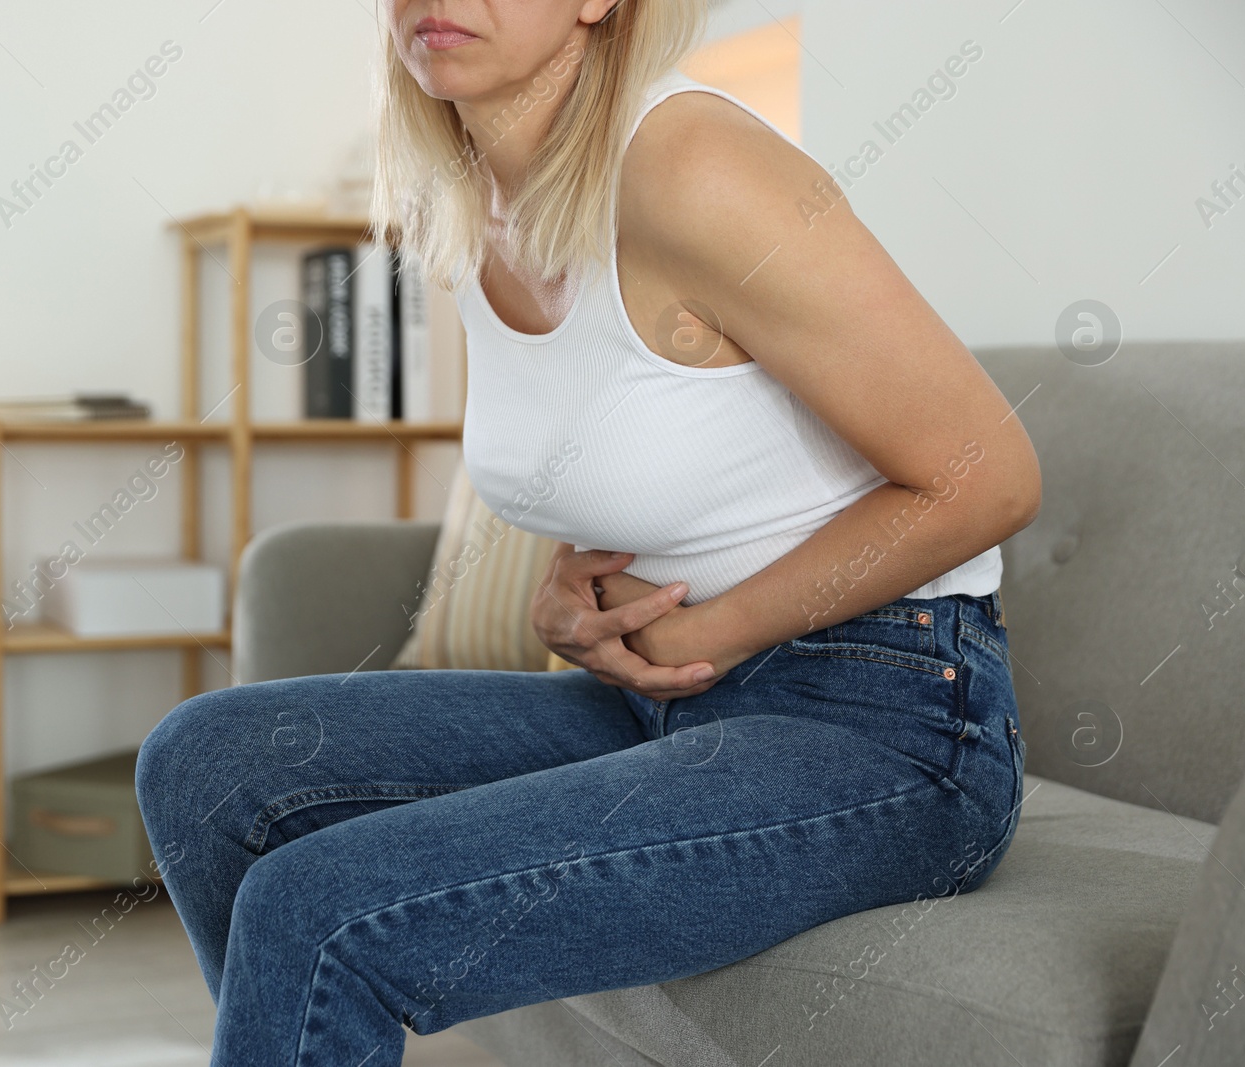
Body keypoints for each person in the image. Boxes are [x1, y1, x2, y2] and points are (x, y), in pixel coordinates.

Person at [136, 2, 1042, 1063]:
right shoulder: (468, 198)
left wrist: (728, 623)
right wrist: (563, 595)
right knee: (202, 764)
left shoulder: (690, 163)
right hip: (661, 705)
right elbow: (649, 447)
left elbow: (989, 476)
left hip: (890, 726)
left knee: (316, 905)